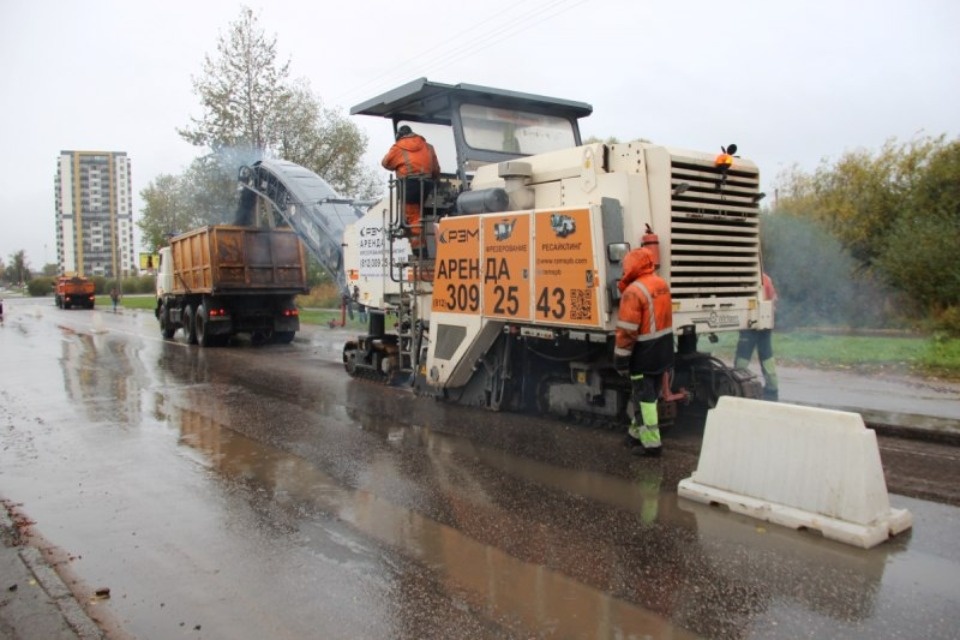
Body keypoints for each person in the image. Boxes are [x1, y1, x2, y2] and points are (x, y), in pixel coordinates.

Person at [614, 247, 674, 456]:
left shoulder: (633, 292)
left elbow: (627, 332)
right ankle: (634, 435)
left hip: (644, 354)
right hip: (664, 349)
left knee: (644, 398)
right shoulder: (661, 284)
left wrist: (620, 359)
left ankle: (652, 445)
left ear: (631, 266)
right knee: (649, 394)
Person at [381, 125, 440, 257]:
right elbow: (436, 169)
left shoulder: (398, 147)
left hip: (410, 186)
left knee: (412, 217)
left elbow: (386, 163)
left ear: (399, 136)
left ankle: (420, 252)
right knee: (424, 215)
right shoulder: (428, 146)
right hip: (428, 186)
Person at [735, 272, 779, 401]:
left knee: (743, 361)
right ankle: (772, 390)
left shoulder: (748, 278)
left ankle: (738, 388)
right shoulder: (766, 278)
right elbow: (774, 299)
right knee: (765, 359)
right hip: (761, 325)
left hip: (753, 325)